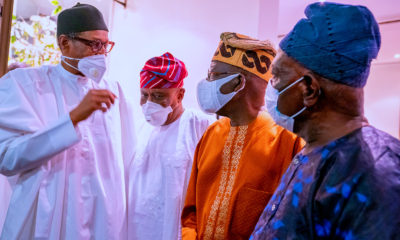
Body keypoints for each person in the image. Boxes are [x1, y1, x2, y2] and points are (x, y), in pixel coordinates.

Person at [251, 2, 400, 239]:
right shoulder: (314, 151)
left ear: (309, 89)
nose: (272, 88)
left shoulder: (375, 175)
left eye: (277, 77)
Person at [0, 3, 135, 239]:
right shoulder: (26, 85)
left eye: (105, 45)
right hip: (47, 220)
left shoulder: (114, 91)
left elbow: (125, 160)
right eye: (94, 44)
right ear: (64, 43)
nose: (101, 53)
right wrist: (72, 119)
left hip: (101, 220)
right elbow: (7, 158)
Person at [181, 32, 304, 240]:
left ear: (238, 83)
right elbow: (191, 213)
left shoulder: (288, 141)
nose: (207, 81)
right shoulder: (212, 133)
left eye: (213, 75)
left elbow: (293, 222)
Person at [127, 52, 214, 240]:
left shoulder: (199, 125)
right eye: (144, 95)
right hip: (136, 230)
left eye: (158, 96)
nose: (149, 103)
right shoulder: (140, 128)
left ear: (180, 95)